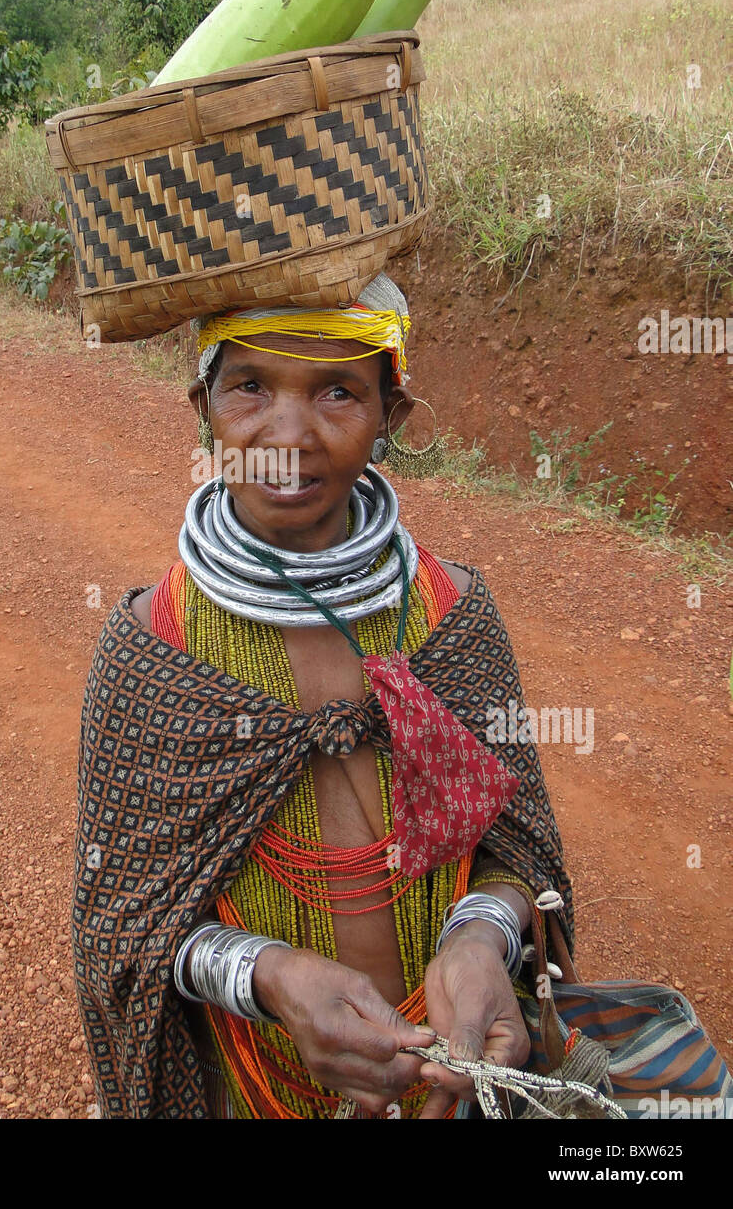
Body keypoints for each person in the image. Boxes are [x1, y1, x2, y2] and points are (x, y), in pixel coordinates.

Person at [72, 272, 574, 1120]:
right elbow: (122, 924)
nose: (286, 435)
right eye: (249, 388)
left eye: (339, 391)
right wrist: (266, 976)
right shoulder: (155, 647)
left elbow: (521, 849)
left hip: (451, 1084)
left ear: (392, 417)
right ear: (203, 404)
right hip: (255, 1082)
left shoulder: (450, 616)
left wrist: (479, 939)